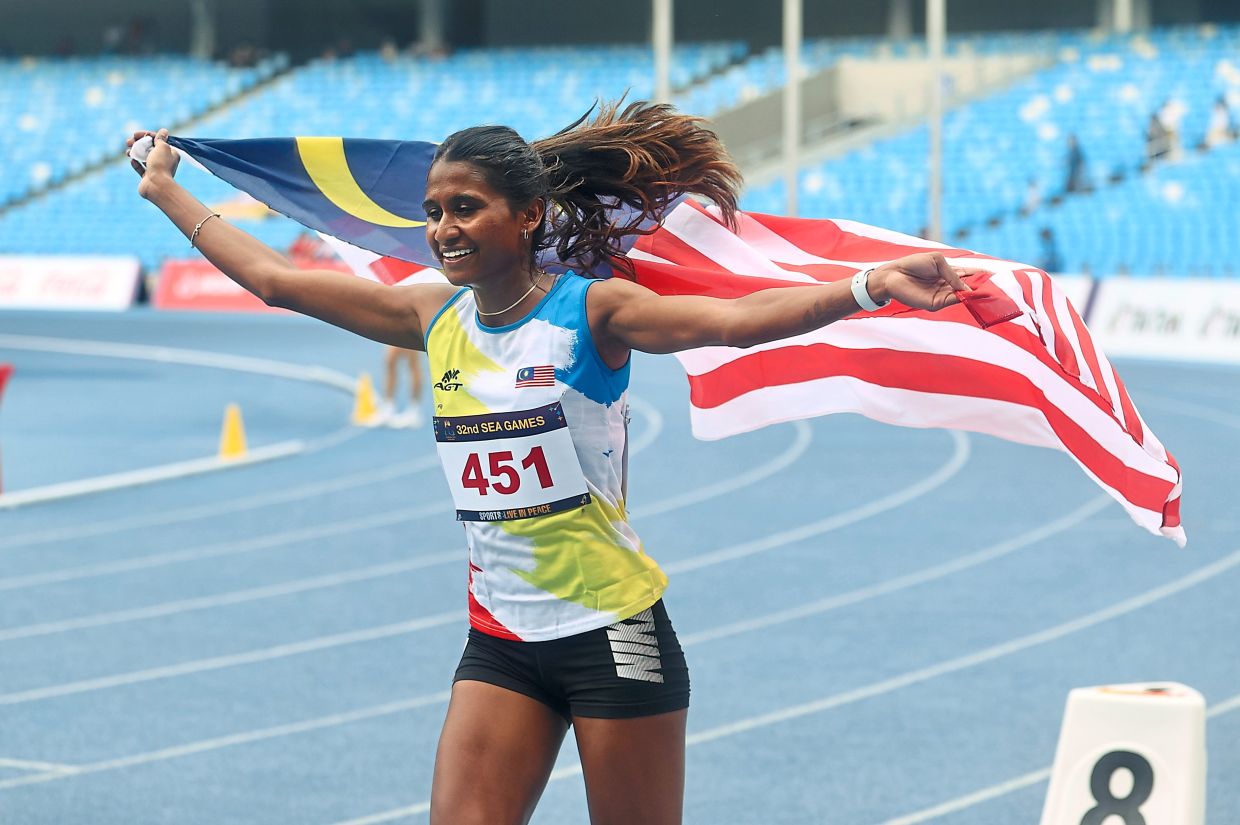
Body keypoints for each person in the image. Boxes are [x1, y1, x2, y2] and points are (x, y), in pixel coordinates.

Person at [127, 103, 975, 825]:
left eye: (465, 207)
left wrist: (869, 286)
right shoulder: (435, 316)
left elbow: (734, 322)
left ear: (526, 216)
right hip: (500, 640)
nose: (444, 229)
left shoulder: (593, 311)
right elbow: (276, 281)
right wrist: (167, 186)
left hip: (613, 632)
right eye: (433, 211)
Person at [381, 344, 425, 428]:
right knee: (390, 361)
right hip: (394, 331)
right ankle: (388, 406)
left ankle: (414, 409)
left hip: (412, 332)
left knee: (413, 362)